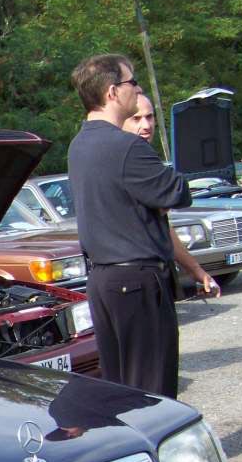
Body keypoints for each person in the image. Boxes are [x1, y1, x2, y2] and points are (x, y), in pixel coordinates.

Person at [67, 54, 194, 399]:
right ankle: (154, 453)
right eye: (131, 82)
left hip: (103, 281)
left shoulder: (79, 145)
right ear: (112, 92)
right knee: (152, 392)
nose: (137, 89)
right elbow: (176, 192)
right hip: (137, 281)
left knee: (122, 388)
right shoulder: (126, 148)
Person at [123, 94, 221, 302]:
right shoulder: (125, 163)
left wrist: (196, 270)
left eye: (150, 117)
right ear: (120, 120)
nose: (146, 125)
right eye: (136, 118)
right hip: (132, 283)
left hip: (158, 277)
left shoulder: (147, 161)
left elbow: (162, 227)